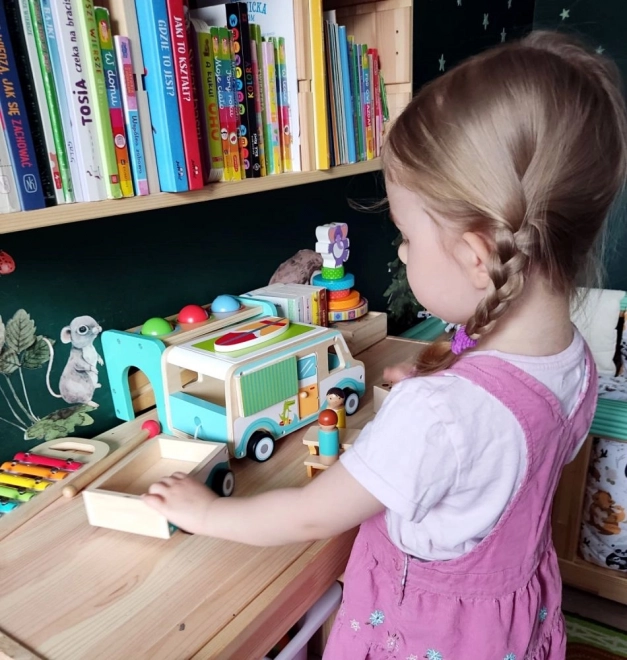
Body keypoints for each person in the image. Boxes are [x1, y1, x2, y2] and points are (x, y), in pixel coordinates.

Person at [143, 30, 627, 659]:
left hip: (426, 633)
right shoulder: (576, 360)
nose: (400, 252)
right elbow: (503, 459)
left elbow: (312, 516)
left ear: (479, 258)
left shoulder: (443, 416)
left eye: (406, 237)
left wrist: (205, 513)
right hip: (505, 625)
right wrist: (438, 413)